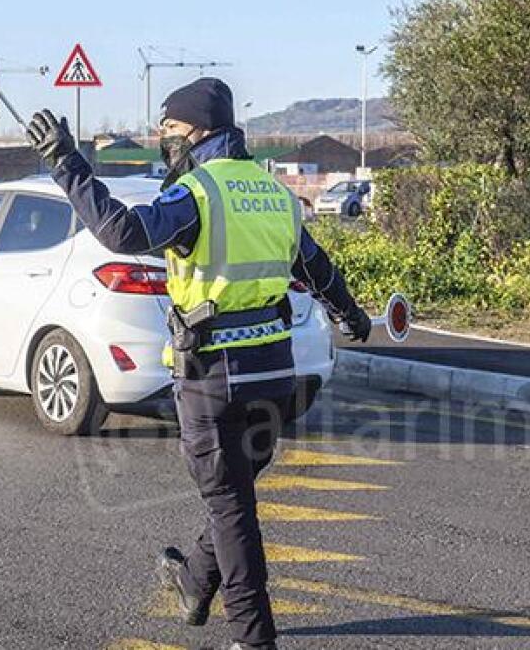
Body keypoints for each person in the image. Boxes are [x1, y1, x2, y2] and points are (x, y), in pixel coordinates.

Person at [26, 77, 371, 650]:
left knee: (233, 511)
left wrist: (67, 163)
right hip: (274, 375)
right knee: (232, 495)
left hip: (213, 377)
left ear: (197, 132)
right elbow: (317, 267)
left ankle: (254, 640)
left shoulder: (197, 193)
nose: (164, 142)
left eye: (168, 131)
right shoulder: (272, 194)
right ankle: (190, 581)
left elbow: (122, 231)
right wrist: (351, 316)